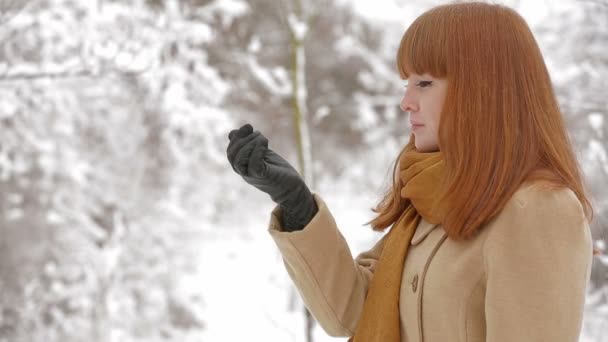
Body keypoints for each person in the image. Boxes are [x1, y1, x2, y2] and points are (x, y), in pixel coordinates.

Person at [226, 1, 598, 341]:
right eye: (407, 84)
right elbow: (353, 312)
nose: (406, 102)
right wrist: (297, 205)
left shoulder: (539, 211)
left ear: (482, 90)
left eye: (423, 83)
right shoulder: (433, 197)